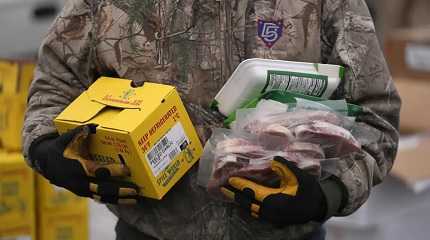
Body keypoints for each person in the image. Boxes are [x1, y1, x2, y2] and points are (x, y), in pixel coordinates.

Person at [22, 0, 401, 239]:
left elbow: (375, 116)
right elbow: (54, 86)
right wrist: (47, 150)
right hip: (147, 232)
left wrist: (325, 195)